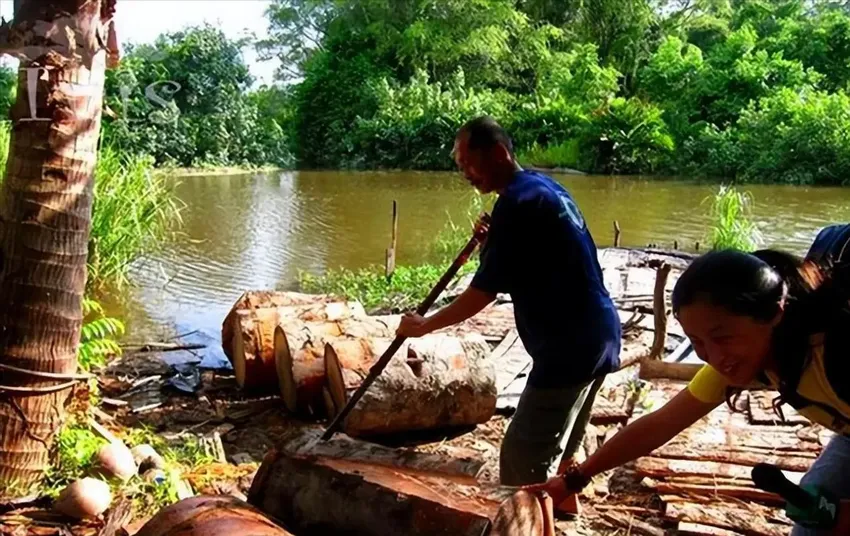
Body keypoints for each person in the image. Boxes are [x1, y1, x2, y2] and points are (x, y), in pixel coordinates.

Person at [528, 223, 850, 535]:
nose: (712, 356)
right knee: (813, 521)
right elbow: (660, 424)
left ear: (774, 313)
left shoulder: (833, 357)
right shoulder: (742, 359)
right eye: (696, 342)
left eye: (722, 337)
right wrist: (574, 479)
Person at [396, 116, 622, 495]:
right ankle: (564, 504)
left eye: (468, 162)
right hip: (599, 333)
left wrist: (424, 325)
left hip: (569, 345)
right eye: (460, 165)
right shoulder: (539, 188)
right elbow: (526, 261)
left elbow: (482, 293)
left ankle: (529, 521)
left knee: (521, 458)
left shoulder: (517, 204)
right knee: (564, 440)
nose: (465, 173)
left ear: (499, 153)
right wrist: (492, 241)